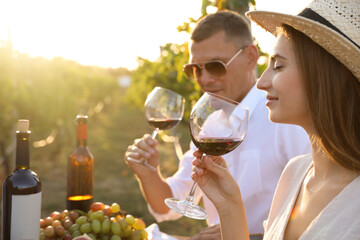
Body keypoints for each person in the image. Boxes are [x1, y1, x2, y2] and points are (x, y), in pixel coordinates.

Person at [124, 10, 311, 239]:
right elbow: (170, 205)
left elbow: (317, 213)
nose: (204, 79)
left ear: (251, 57)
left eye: (215, 66)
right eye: (194, 69)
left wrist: (244, 235)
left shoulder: (286, 119)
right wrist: (148, 174)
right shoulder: (210, 125)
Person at [191, 0, 360, 239]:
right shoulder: (295, 174)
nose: (261, 82)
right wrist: (229, 206)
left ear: (328, 76)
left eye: (278, 66)